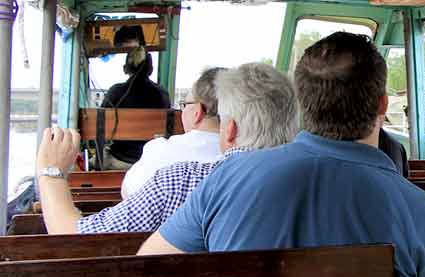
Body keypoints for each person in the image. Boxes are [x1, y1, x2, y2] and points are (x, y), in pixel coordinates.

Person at [137, 32, 425, 277]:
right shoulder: (424, 217)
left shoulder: (228, 178)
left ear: (302, 104)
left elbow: (147, 271)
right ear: (382, 104)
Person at [35, 62, 299, 234]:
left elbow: (78, 238)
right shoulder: (315, 184)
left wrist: (51, 173)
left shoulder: (178, 181)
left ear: (228, 129)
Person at [121, 68, 225, 198]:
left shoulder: (160, 150)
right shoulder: (248, 160)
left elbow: (128, 192)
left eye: (184, 105)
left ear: (197, 112)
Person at [100, 25, 172, 169]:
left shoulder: (115, 91)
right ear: (150, 69)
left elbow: (102, 128)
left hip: (119, 160)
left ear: (126, 67)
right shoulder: (162, 94)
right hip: (150, 162)